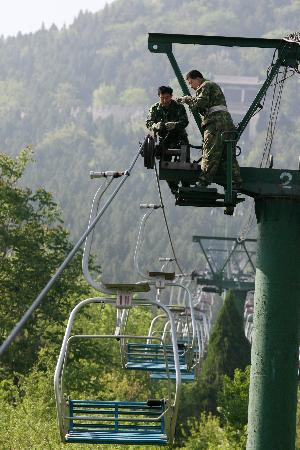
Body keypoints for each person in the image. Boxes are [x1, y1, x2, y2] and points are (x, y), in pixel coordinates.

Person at [177, 70, 242, 188]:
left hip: (215, 125)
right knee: (227, 156)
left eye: (191, 82)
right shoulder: (212, 86)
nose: (191, 86)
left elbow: (201, 102)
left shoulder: (205, 85)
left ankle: (203, 182)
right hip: (226, 124)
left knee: (210, 152)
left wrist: (187, 99)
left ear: (197, 78)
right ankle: (236, 181)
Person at [146, 85, 189, 152]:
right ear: (159, 97)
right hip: (164, 139)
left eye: (167, 97)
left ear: (171, 96)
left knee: (185, 158)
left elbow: (185, 121)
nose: (165, 100)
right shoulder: (154, 109)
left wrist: (175, 125)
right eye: (162, 98)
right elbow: (148, 123)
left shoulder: (179, 107)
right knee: (164, 159)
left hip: (180, 137)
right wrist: (155, 126)